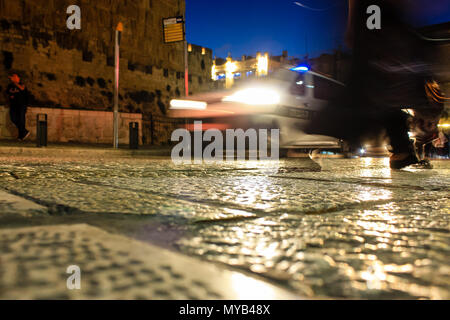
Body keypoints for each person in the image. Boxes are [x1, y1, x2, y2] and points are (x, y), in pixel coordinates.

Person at [305, 0, 445, 169]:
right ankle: (400, 150)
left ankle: (401, 151)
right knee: (377, 89)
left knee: (378, 90)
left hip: (379, 23)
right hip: (377, 21)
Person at [6, 73, 30, 140]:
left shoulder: (22, 84)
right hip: (13, 105)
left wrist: (15, 82)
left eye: (14, 77)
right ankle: (24, 131)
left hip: (21, 105)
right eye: (12, 77)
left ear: (18, 78)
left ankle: (21, 136)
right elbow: (8, 93)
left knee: (21, 120)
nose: (12, 78)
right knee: (13, 119)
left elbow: (22, 89)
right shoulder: (10, 85)